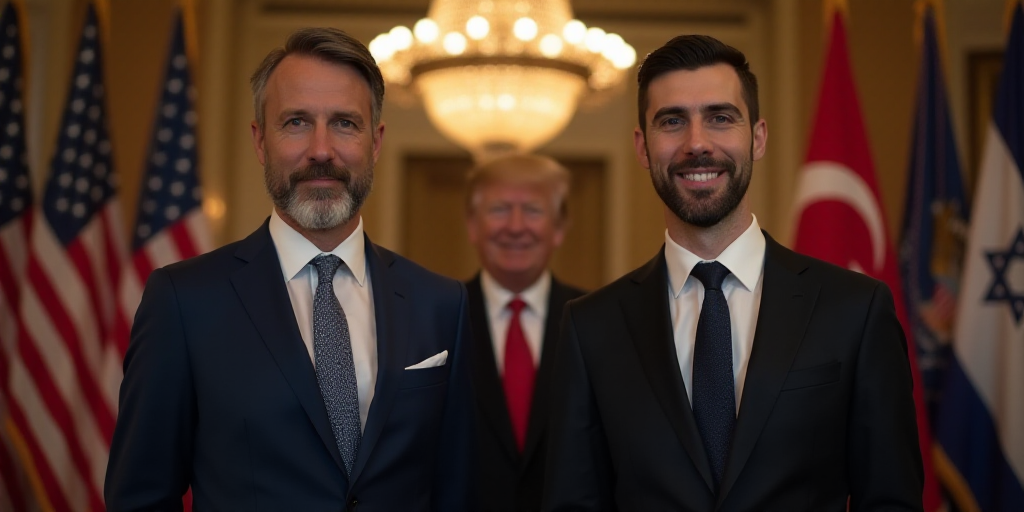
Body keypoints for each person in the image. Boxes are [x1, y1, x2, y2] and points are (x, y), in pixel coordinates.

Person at [543, 35, 924, 511]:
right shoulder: (590, 326)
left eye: (720, 118)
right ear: (642, 146)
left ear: (757, 137)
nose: (697, 143)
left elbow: (891, 500)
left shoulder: (855, 309)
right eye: (672, 121)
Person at [105, 27, 473, 511]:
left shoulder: (441, 304)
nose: (322, 150)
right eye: (296, 122)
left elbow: (459, 491)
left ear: (376, 142)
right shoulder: (184, 301)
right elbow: (141, 497)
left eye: (345, 123)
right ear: (260, 141)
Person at [463, 154, 585, 512]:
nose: (516, 227)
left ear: (559, 229)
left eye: (533, 210)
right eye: (499, 209)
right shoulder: (436, 320)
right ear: (473, 225)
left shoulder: (598, 322)